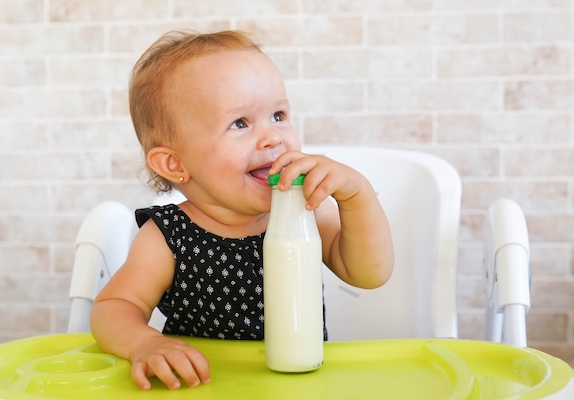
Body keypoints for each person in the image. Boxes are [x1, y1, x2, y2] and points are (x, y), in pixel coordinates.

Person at [90, 30, 394, 391]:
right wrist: (145, 343)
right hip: (206, 385)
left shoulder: (303, 211)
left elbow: (370, 273)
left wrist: (356, 196)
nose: (273, 137)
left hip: (299, 385)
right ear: (174, 163)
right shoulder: (168, 235)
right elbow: (115, 306)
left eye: (278, 115)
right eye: (240, 123)